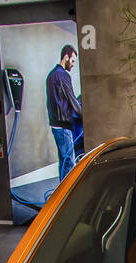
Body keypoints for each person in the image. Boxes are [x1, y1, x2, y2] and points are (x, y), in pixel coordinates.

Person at [46, 44, 82, 179]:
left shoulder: (51, 75)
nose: (73, 65)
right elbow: (72, 100)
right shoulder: (63, 76)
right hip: (64, 127)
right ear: (66, 57)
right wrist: (84, 115)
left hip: (55, 126)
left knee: (63, 162)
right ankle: (67, 195)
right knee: (69, 163)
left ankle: (61, 193)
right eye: (72, 61)